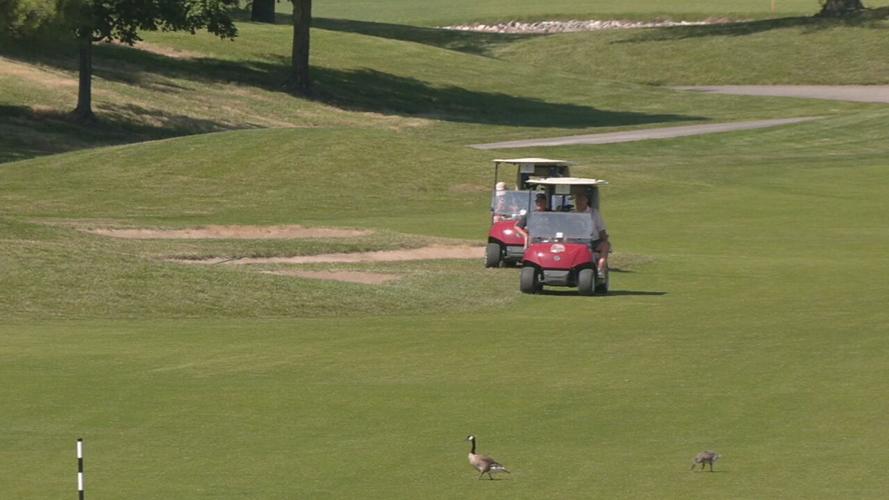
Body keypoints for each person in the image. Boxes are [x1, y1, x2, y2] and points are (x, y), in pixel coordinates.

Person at [574, 192, 610, 278]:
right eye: (577, 200)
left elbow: (601, 229)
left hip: (592, 241)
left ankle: (600, 269)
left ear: (586, 200)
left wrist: (605, 239)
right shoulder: (572, 213)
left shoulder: (593, 213)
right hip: (575, 241)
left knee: (605, 246)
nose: (579, 202)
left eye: (581, 199)